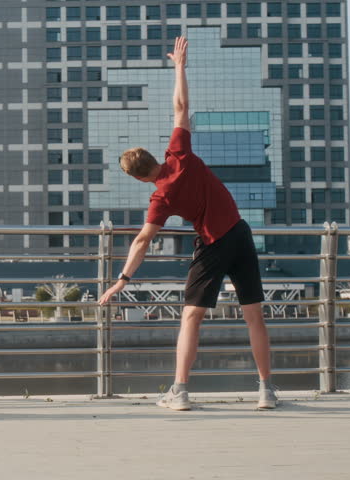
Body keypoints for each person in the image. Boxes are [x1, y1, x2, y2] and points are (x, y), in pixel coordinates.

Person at [98, 37, 277, 411]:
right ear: (151, 155)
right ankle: (266, 391)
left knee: (192, 316)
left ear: (139, 178)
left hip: (212, 244)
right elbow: (181, 106)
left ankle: (179, 392)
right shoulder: (179, 154)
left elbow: (143, 239)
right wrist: (179, 64)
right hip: (240, 234)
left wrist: (121, 281)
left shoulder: (160, 197)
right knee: (253, 315)